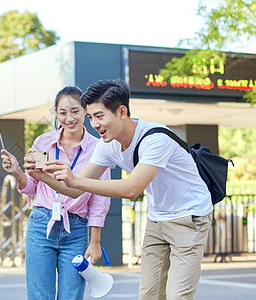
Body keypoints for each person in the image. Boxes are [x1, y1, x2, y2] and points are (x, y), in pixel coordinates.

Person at [45, 80, 213, 300]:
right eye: (91, 117)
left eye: (100, 116)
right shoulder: (108, 144)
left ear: (121, 111)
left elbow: (131, 188)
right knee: (149, 295)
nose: (94, 124)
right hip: (157, 218)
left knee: (178, 296)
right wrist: (43, 177)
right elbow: (75, 188)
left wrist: (75, 181)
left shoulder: (156, 138)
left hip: (189, 217)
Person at [0, 86, 111, 300]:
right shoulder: (44, 143)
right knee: (39, 296)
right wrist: (16, 171)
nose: (69, 118)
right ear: (56, 113)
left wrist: (95, 241)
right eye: (62, 112)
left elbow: (99, 198)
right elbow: (33, 185)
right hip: (41, 224)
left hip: (76, 230)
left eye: (75, 111)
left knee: (71, 296)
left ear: (85, 111)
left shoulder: (98, 148)